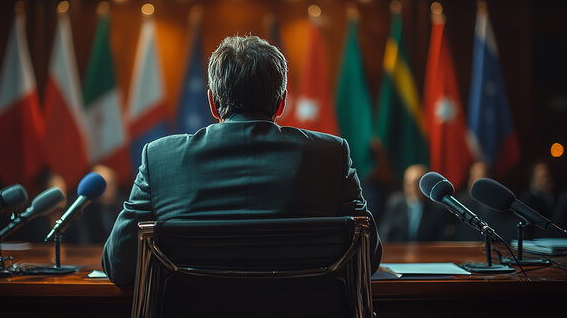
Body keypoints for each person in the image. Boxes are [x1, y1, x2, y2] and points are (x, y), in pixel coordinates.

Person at [102, 35, 382, 288]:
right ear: (281, 104)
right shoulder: (331, 155)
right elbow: (367, 258)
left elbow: (119, 266)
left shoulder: (160, 159)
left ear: (212, 103)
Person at [379, 164, 455, 242]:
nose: (412, 188)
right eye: (408, 183)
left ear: (426, 185)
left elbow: (443, 238)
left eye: (416, 183)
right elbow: (385, 233)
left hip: (428, 252)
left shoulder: (438, 208)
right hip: (399, 252)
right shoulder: (395, 203)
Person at [519, 160, 567, 238]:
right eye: (543, 176)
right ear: (533, 181)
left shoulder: (558, 196)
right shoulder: (526, 202)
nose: (548, 179)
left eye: (549, 175)